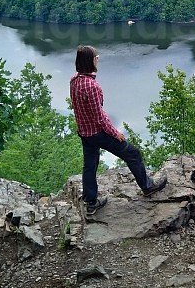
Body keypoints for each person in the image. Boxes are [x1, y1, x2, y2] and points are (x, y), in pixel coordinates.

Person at [70, 45, 167, 221]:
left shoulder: (74, 81)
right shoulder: (91, 86)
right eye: (96, 57)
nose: (98, 59)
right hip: (97, 132)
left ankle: (91, 202)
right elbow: (99, 117)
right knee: (132, 153)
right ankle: (147, 186)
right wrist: (115, 133)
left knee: (89, 166)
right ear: (89, 61)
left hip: (84, 132)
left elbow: (79, 109)